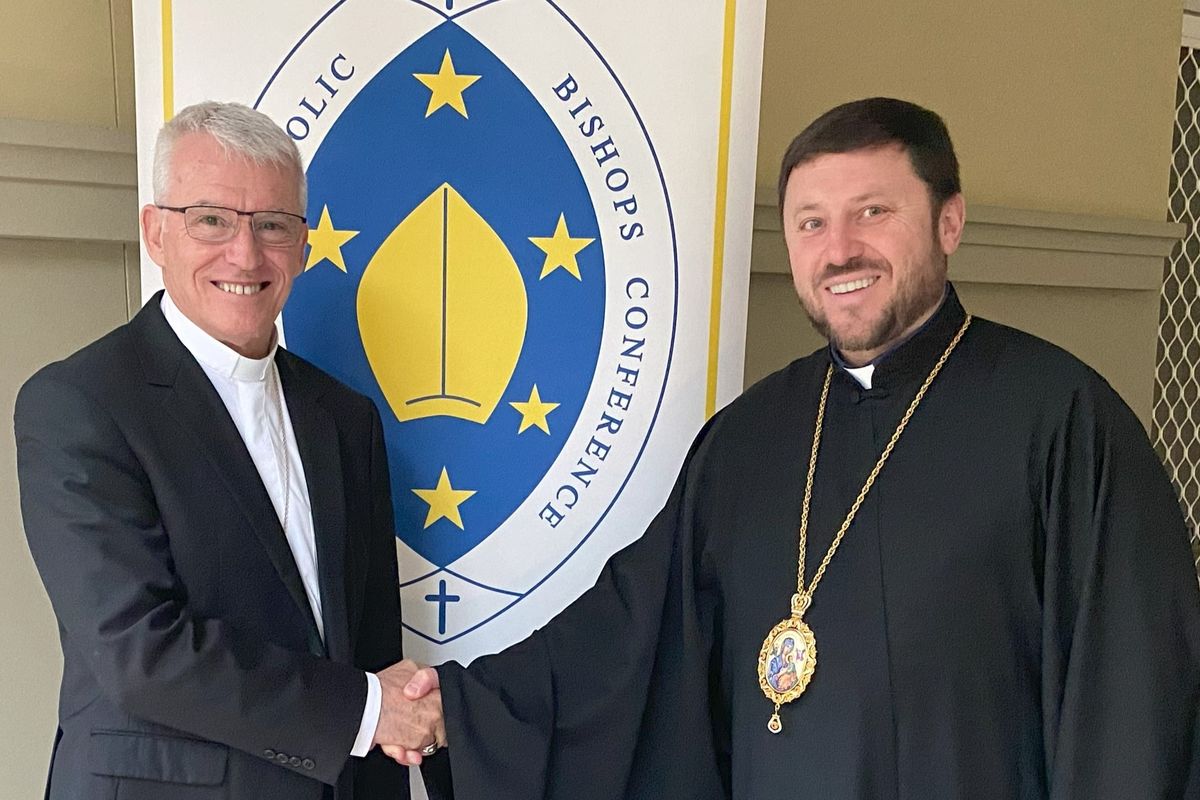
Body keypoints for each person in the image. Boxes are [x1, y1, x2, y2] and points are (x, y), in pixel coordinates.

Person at [397, 97, 1200, 798]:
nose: (840, 248)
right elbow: (631, 627)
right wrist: (459, 709)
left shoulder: (1062, 421)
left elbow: (1131, 703)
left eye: (872, 212)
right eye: (811, 222)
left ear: (948, 221)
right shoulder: (750, 439)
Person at [14, 101, 445, 800]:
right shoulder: (79, 404)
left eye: (273, 224)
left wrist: (384, 721)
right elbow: (139, 652)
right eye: (211, 219)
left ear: (302, 244)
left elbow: (367, 652)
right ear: (157, 233)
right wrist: (370, 711)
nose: (245, 255)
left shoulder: (345, 417)